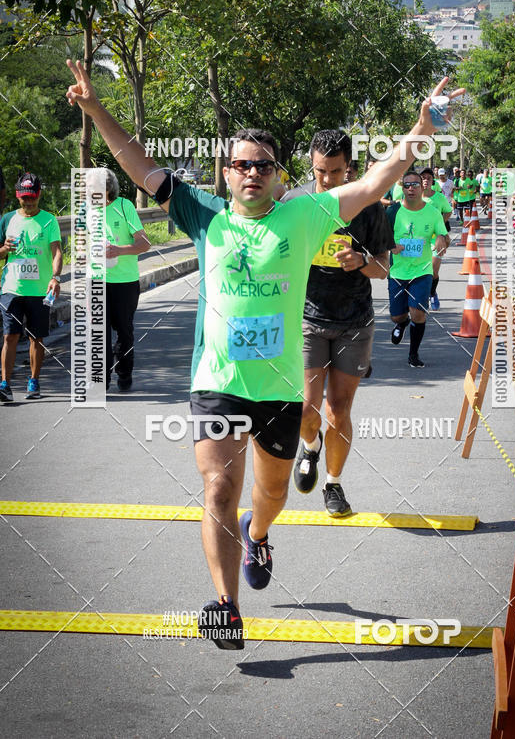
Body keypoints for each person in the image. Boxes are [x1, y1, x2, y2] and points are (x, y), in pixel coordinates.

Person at [65, 59, 464, 650]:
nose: (252, 173)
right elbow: (140, 165)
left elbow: (377, 179)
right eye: (242, 164)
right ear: (227, 174)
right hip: (217, 382)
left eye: (263, 165)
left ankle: (260, 534)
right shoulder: (203, 215)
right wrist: (96, 109)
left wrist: (422, 128)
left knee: (270, 496)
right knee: (218, 490)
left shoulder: (304, 215)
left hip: (279, 390)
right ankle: (226, 606)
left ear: (279, 176)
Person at [281, 130, 393, 517]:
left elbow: (384, 268)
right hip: (308, 319)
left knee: (338, 410)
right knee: (308, 409)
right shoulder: (295, 202)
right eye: (319, 171)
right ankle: (309, 446)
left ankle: (333, 484)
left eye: (335, 171)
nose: (327, 180)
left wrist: (361, 262)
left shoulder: (370, 206)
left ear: (350, 168)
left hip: (354, 323)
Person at [0, 173, 62, 401]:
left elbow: (57, 251)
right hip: (11, 289)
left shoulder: (49, 220)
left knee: (36, 337)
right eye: (25, 198)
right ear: (18, 196)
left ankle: (33, 381)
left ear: (39, 194)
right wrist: (5, 250)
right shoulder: (7, 220)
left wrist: (55, 277)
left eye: (33, 197)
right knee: (10, 336)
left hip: (39, 290)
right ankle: (4, 384)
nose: (29, 202)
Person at [91, 169, 151, 391]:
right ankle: (101, 380)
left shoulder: (125, 207)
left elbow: (145, 244)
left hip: (125, 282)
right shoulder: (86, 212)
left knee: (124, 333)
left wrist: (118, 250)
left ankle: (124, 373)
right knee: (100, 332)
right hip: (97, 282)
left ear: (109, 189)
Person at [387, 171, 450, 366]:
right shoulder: (392, 211)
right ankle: (402, 322)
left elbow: (444, 237)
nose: (411, 188)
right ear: (402, 188)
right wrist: (391, 246)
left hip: (422, 271)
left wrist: (441, 238)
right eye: (407, 185)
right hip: (397, 271)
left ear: (423, 187)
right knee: (397, 315)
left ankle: (413, 354)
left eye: (415, 184)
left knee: (418, 313)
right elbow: (379, 239)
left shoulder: (432, 212)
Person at [420, 167, 452, 310]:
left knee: (433, 271)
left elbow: (448, 211)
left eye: (428, 178)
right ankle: (422, 296)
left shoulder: (439, 197)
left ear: (433, 181)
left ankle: (432, 293)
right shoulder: (414, 196)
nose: (425, 180)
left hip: (437, 238)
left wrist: (441, 226)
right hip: (419, 239)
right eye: (423, 178)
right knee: (421, 270)